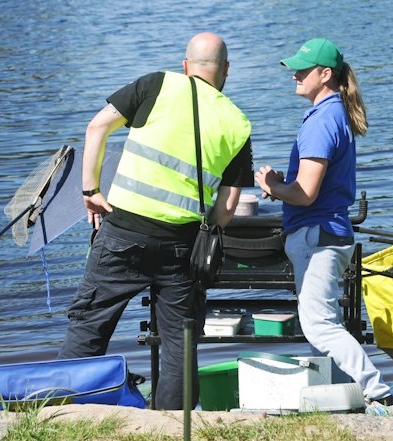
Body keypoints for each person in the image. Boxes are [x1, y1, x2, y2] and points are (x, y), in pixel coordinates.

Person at [58, 32, 253, 410]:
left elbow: (96, 128)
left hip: (122, 231)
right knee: (179, 341)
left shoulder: (156, 84)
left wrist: (90, 191)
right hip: (182, 245)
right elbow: (227, 210)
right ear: (226, 71)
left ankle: (66, 409)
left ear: (185, 66)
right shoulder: (237, 123)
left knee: (91, 322)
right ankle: (170, 422)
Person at [254, 38, 393, 416]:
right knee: (325, 323)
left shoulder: (322, 120)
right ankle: (340, 400)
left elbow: (304, 193)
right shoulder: (334, 114)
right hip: (329, 233)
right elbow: (311, 188)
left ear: (325, 75)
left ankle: (380, 394)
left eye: (303, 71)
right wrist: (284, 188)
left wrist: (273, 186)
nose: (295, 76)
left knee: (319, 325)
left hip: (317, 235)